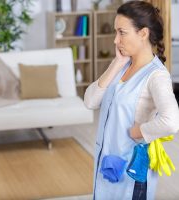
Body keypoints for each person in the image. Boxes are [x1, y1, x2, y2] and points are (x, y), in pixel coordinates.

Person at [84, 1, 179, 200]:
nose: (115, 40)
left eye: (122, 32)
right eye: (115, 32)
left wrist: (140, 131)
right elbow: (90, 101)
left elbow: (171, 122)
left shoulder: (156, 76)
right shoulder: (122, 65)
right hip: (107, 164)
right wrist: (116, 63)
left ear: (143, 33)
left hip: (131, 171)